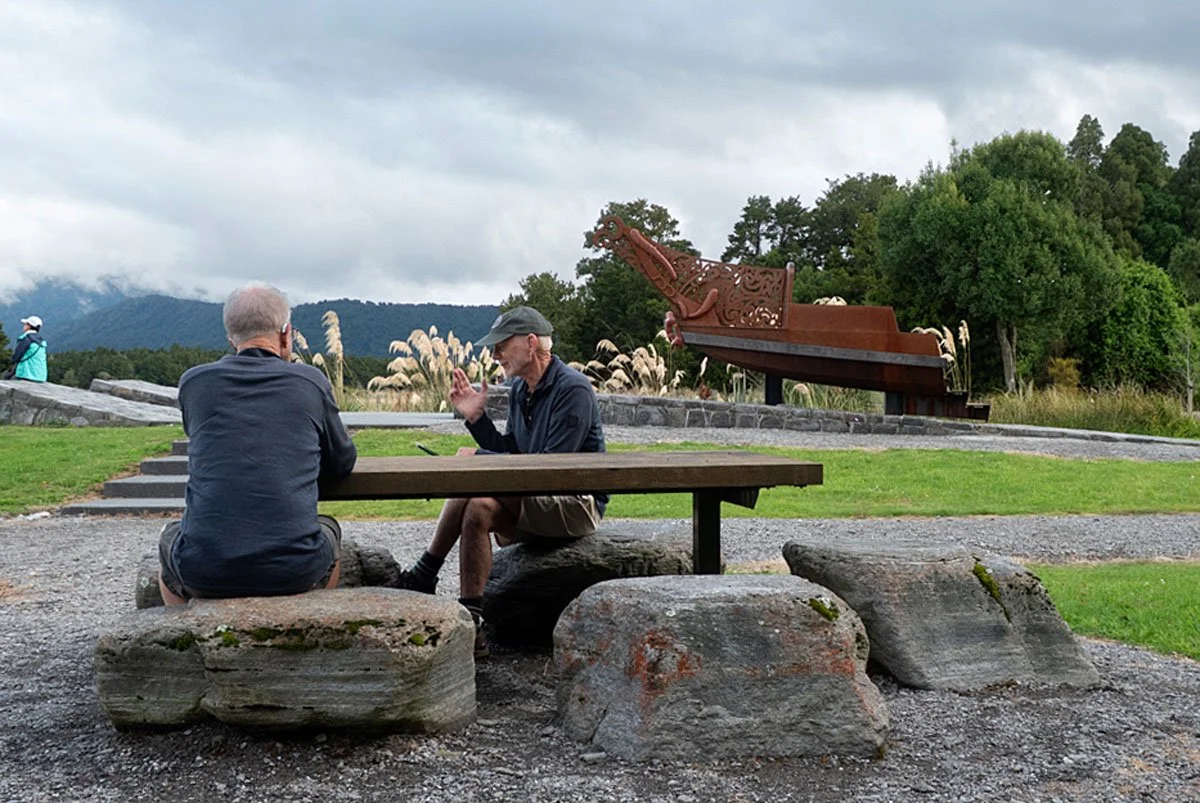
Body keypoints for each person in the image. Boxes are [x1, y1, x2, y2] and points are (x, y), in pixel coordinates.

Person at [394, 306, 607, 658]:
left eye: (500, 346)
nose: (494, 355)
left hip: (575, 502)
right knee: (479, 505)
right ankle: (472, 622)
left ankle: (423, 575)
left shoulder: (574, 389)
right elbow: (512, 453)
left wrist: (478, 460)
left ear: (530, 343)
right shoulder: (520, 390)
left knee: (474, 477)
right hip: (535, 496)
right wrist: (477, 421)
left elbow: (551, 470)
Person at [157, 283, 357, 605]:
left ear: (230, 338)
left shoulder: (194, 383)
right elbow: (342, 461)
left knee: (170, 538)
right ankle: (308, 619)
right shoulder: (311, 381)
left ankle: (188, 637)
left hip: (203, 569)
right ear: (285, 334)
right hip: (293, 569)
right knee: (329, 533)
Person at [3, 315, 48, 382]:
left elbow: (16, 357)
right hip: (41, 376)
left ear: (29, 326)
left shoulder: (26, 339)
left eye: (25, 324)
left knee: (6, 379)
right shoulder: (40, 341)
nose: (24, 326)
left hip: (27, 374)